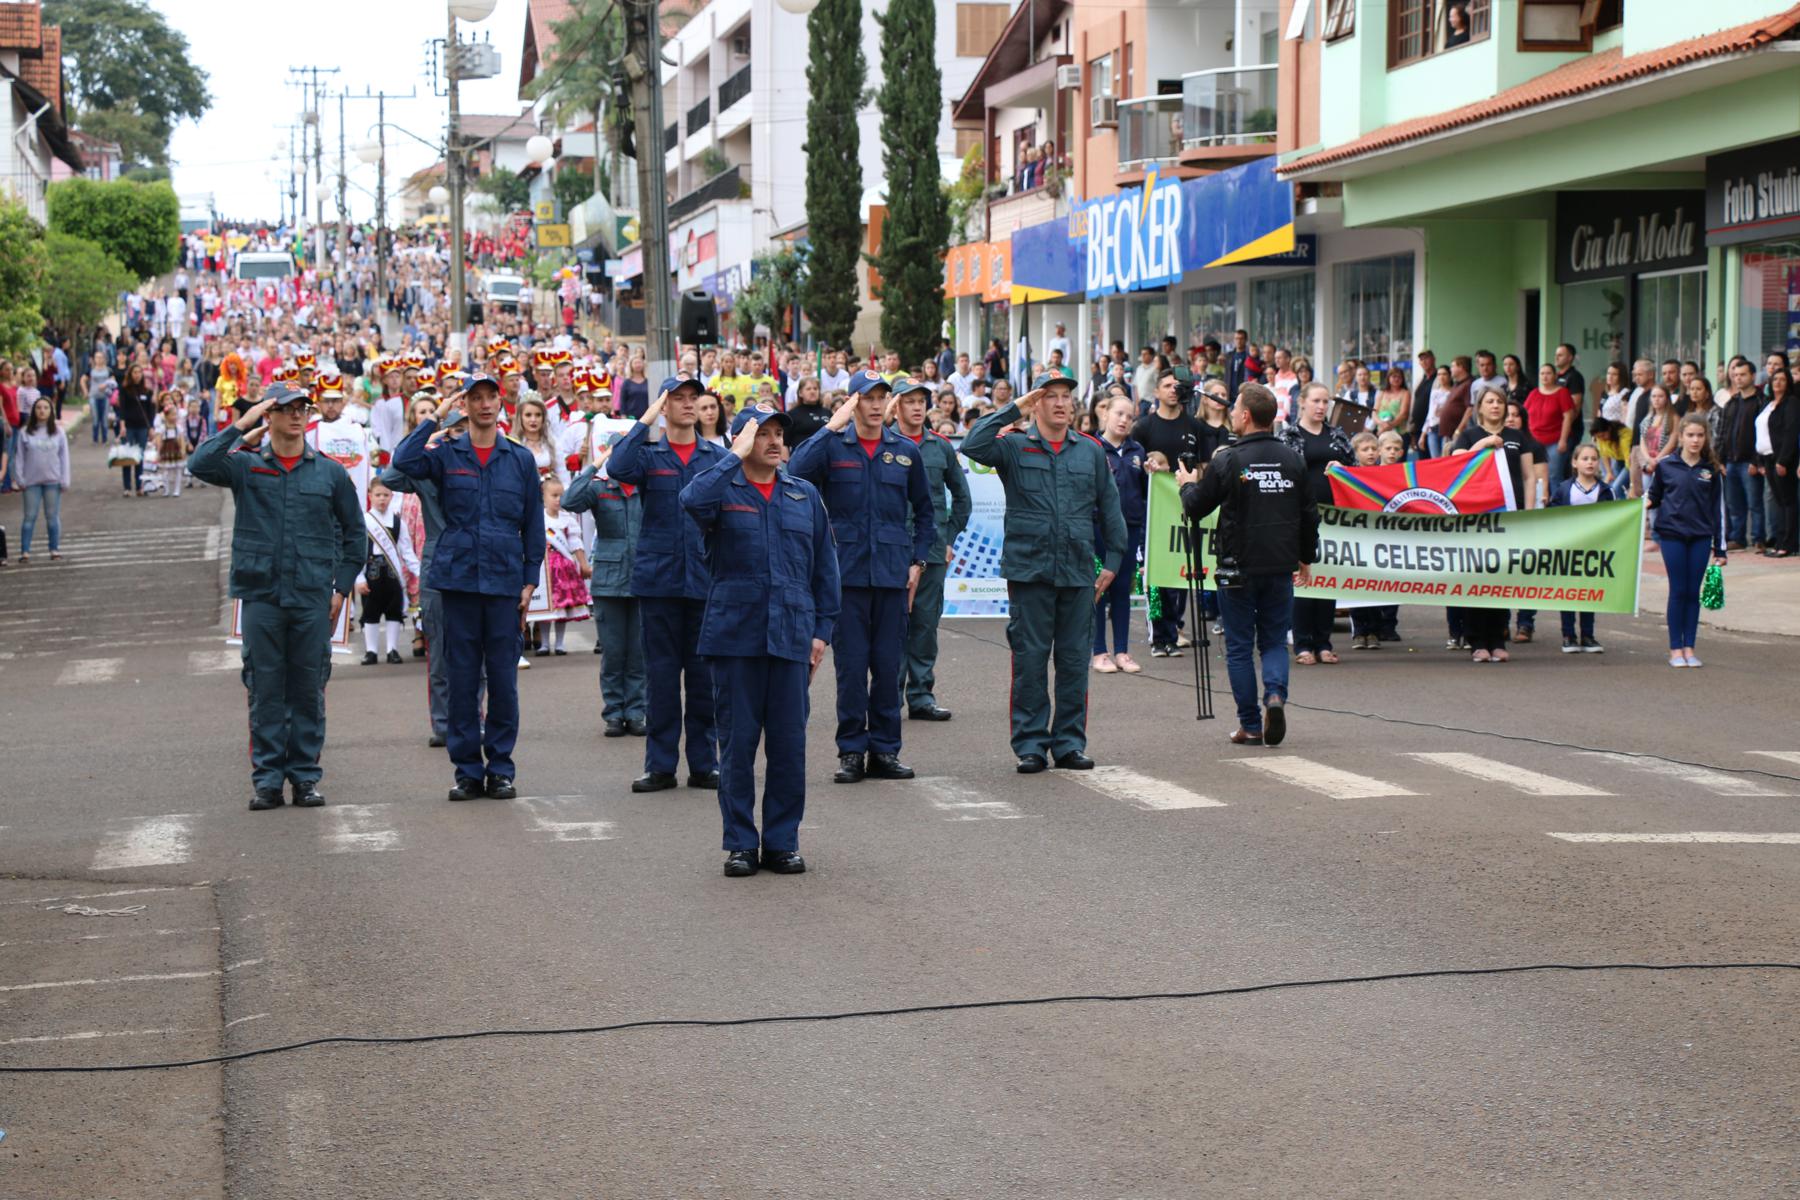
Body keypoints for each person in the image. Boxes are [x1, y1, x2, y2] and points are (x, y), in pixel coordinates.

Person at [681, 404, 840, 876]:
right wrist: (733, 454)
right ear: (743, 441)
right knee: (737, 746)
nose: (774, 442)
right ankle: (740, 844)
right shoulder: (720, 490)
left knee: (789, 746)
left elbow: (823, 568)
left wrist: (821, 632)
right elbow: (690, 500)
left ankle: (781, 841)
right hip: (735, 637)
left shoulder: (803, 494)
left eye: (778, 435)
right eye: (762, 435)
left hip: (791, 634)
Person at [189, 384, 363, 810]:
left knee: (307, 688)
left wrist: (341, 586)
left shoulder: (329, 472)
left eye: (302, 409)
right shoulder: (247, 466)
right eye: (285, 410)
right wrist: (245, 424)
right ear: (270, 415)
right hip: (262, 594)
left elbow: (355, 534)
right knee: (265, 688)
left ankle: (304, 777)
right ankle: (267, 780)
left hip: (310, 595)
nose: (297, 416)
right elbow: (200, 463)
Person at [962, 373, 1127, 773]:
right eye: (1049, 396)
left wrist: (1114, 561)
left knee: (1072, 662)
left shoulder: (1088, 451)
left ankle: (1069, 743)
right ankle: (1031, 744)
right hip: (1030, 571)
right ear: (1035, 404)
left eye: (1065, 397)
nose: (1059, 403)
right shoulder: (1016, 446)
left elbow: (1110, 508)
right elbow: (972, 444)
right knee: (1031, 661)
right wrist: (1014, 407)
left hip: (1076, 571)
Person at [394, 375, 546, 802]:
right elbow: (403, 461)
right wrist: (438, 414)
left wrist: (530, 580)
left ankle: (500, 768)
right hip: (457, 581)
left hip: (502, 582)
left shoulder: (518, 459)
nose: (483, 405)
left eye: (489, 397)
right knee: (461, 680)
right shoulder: (445, 454)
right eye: (474, 398)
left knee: (502, 681)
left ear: (501, 403)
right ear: (465, 404)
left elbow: (533, 523)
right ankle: (466, 771)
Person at [788, 369, 936, 783]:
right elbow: (796, 470)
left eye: (880, 397)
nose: (874, 405)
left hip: (891, 576)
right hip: (846, 576)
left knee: (888, 667)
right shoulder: (834, 448)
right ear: (852, 403)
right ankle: (852, 749)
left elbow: (925, 512)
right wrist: (829, 428)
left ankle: (885, 750)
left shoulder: (905, 451)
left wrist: (918, 561)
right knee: (852, 669)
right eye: (866, 398)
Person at [1176, 383, 1318, 746]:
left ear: (1246, 416)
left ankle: (1251, 725)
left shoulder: (1229, 458)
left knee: (1239, 646)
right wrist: (1305, 557)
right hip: (1279, 564)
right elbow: (1308, 514)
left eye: (1236, 408)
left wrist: (1188, 484)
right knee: (1272, 641)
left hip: (1236, 565)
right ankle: (1274, 697)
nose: (1233, 414)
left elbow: (1196, 507)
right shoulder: (1292, 458)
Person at [607, 378, 727, 792]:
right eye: (679, 399)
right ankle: (660, 765)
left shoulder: (717, 457)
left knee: (702, 681)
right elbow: (617, 466)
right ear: (664, 405)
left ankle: (704, 764)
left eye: (695, 398)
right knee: (660, 679)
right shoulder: (649, 455)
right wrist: (646, 419)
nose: (690, 405)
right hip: (658, 582)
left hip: (704, 581)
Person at [889, 379, 970, 721]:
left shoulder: (940, 447)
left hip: (932, 550)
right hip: (891, 548)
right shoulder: (883, 443)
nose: (918, 407)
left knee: (924, 624)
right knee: (892, 625)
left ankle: (921, 695)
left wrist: (948, 537)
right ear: (897, 406)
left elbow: (962, 498)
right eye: (910, 401)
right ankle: (887, 698)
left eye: (922, 400)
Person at [380, 401, 457, 747]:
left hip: (473, 563)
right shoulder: (428, 466)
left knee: (476, 653)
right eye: (453, 431)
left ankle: (474, 719)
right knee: (438, 651)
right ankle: (442, 724)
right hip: (437, 563)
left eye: (463, 431)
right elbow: (392, 475)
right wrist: (426, 435)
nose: (458, 438)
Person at [565, 432, 646, 737]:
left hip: (642, 578)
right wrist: (594, 465)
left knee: (638, 653)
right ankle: (614, 712)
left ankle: (637, 711)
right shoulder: (600, 488)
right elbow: (570, 500)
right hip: (609, 580)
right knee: (613, 652)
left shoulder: (645, 487)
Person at [1451, 387, 1537, 662]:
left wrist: (1529, 513)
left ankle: (1498, 638)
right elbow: (1456, 462)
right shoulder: (1469, 435)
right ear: (1480, 407)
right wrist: (1485, 444)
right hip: (1476, 517)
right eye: (1490, 401)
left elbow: (1528, 476)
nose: (1496, 406)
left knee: (1501, 579)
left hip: (1509, 516)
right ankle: (1477, 641)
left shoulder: (1517, 436)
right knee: (1477, 578)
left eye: (1499, 401)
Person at [1131, 370, 1213, 657]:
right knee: (1155, 576)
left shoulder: (1195, 426)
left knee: (1180, 575)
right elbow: (1135, 467)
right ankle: (1158, 637)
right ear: (1156, 392)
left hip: (1184, 509)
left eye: (1176, 386)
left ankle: (1174, 628)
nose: (1172, 390)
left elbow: (1202, 468)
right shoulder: (1143, 427)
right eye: (1166, 385)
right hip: (1151, 512)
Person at [1280, 383, 1353, 664]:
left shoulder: (1337, 435)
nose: (1322, 407)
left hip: (1334, 517)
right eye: (1317, 401)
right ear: (1303, 402)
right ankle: (1302, 643)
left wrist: (1343, 470)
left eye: (1326, 402)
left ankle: (1324, 641)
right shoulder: (1288, 435)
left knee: (1328, 579)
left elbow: (1358, 471)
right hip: (1298, 515)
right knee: (1303, 579)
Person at [1648, 415, 1727, 668]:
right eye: (1690, 435)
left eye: (1700, 435)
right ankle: (1674, 649)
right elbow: (1653, 498)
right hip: (1672, 535)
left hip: (1701, 537)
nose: (1695, 440)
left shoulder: (1711, 470)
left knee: (1693, 593)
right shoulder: (1666, 465)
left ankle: (1689, 648)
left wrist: (1721, 547)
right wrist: (1632, 511)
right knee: (1678, 590)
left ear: (1705, 438)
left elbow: (1718, 510)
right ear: (1680, 437)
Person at [1092, 394, 1146, 674]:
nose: (1124, 420)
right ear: (1105, 414)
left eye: (1130, 416)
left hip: (1131, 528)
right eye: (1119, 414)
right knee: (1099, 588)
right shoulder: (1091, 448)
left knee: (1123, 589)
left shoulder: (1138, 452)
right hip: (1098, 529)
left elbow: (1147, 494)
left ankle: (1122, 651)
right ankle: (1099, 651)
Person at [1548, 443, 1612, 653]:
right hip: (1568, 549)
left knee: (1588, 593)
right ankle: (1568, 635)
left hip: (1593, 551)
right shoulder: (1565, 488)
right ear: (1575, 463)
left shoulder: (1604, 490)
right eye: (1585, 458)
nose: (1590, 463)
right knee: (1567, 592)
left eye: (1594, 459)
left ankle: (1588, 635)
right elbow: (1553, 514)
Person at [356, 477, 420, 665]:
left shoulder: (398, 522)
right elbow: (358, 552)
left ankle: (393, 649)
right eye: (378, 495)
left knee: (394, 611)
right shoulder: (364, 521)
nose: (382, 499)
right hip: (371, 572)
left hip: (393, 574)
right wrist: (359, 578)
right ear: (370, 496)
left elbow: (406, 551)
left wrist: (420, 573)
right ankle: (371, 651)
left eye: (386, 495)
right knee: (371, 612)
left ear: (392, 496)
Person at [14, 396, 69, 563]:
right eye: (38, 408)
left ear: (51, 411)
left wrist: (65, 479)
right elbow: (19, 457)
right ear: (34, 411)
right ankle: (25, 551)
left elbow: (64, 457)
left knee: (52, 516)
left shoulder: (58, 432)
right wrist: (19, 478)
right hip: (31, 482)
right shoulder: (25, 432)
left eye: (46, 408)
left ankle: (54, 549)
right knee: (29, 517)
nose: (42, 411)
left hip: (53, 480)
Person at [1756, 366, 1798, 557]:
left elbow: (1790, 432)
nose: (1778, 383)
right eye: (1775, 379)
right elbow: (1760, 432)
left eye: (1782, 379)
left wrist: (1783, 460)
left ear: (1788, 382)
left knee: (1787, 501)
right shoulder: (1768, 403)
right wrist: (1760, 461)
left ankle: (1788, 544)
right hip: (1767, 458)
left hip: (1781, 458)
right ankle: (1780, 541)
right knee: (1779, 502)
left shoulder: (1791, 403)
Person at [1524, 362, 1578, 487]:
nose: (1545, 376)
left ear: (1555, 376)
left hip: (1555, 441)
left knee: (1553, 475)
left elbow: (1568, 417)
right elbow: (1524, 415)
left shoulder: (1562, 392)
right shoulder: (1534, 393)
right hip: (1534, 441)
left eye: (1548, 373)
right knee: (1534, 475)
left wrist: (1563, 440)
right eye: (1542, 373)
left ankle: (1556, 504)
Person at [114, 361, 155, 497]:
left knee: (140, 457)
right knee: (128, 456)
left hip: (142, 427)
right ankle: (127, 487)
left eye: (139, 372)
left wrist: (151, 428)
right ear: (130, 374)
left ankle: (139, 486)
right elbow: (122, 409)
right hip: (129, 426)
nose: (137, 375)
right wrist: (122, 426)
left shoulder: (147, 391)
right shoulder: (125, 389)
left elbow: (150, 411)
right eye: (135, 372)